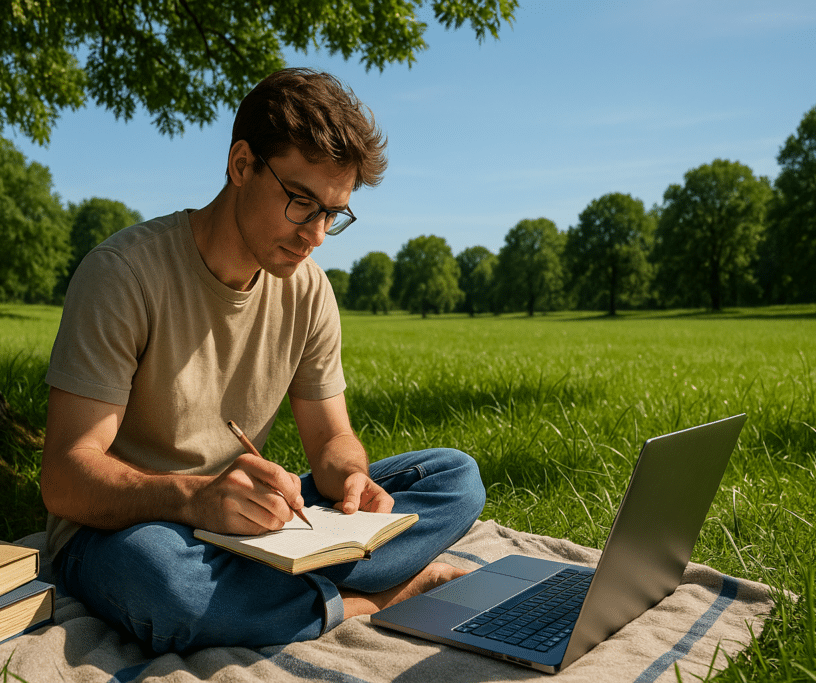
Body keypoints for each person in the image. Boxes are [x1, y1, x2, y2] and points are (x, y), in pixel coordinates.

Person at [40, 67, 486, 654]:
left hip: (245, 520)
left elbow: (332, 443)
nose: (316, 235)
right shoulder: (123, 275)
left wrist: (352, 482)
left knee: (454, 477)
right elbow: (66, 479)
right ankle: (371, 596)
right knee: (167, 588)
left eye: (333, 213)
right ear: (242, 165)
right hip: (131, 527)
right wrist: (194, 498)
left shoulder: (308, 289)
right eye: (302, 202)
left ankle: (272, 595)